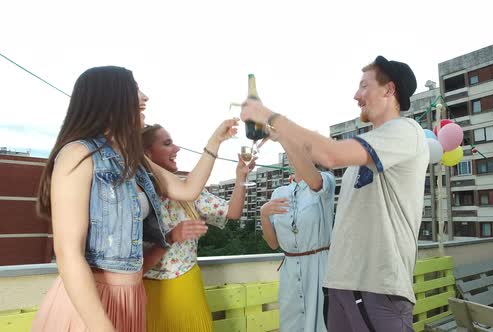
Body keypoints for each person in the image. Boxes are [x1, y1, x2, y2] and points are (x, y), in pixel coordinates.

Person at [33, 66, 237, 332]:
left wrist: (215, 142)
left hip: (132, 298)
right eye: (135, 89)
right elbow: (68, 253)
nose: (144, 97)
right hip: (92, 304)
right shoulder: (77, 154)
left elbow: (187, 190)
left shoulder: (135, 161)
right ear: (110, 98)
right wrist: (100, 326)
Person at [241, 55, 428, 331]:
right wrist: (282, 137)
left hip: (377, 287)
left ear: (389, 90)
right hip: (342, 287)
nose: (356, 95)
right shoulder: (369, 147)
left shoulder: (406, 131)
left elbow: (330, 154)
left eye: (364, 86)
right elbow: (313, 174)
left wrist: (270, 116)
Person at [140, 124, 254, 332]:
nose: (177, 149)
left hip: (188, 292)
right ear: (147, 154)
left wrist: (241, 177)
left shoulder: (190, 190)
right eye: (167, 144)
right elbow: (135, 267)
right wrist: (171, 236)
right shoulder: (138, 199)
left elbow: (233, 212)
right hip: (148, 297)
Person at [260, 146, 335, 332]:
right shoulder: (279, 193)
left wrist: (283, 136)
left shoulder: (325, 181)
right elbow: (272, 243)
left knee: (323, 323)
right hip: (290, 271)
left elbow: (315, 182)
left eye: (304, 151)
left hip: (319, 267)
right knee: (291, 324)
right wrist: (263, 214)